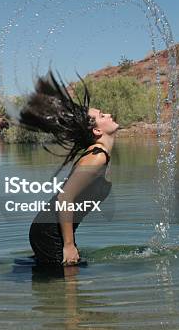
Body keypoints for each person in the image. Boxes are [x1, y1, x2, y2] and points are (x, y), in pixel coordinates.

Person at [16, 70, 119, 266]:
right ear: (97, 130)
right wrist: (69, 245)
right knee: (68, 287)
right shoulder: (96, 158)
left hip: (52, 229)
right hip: (49, 231)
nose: (110, 114)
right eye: (103, 115)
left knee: (66, 280)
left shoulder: (98, 154)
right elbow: (65, 197)